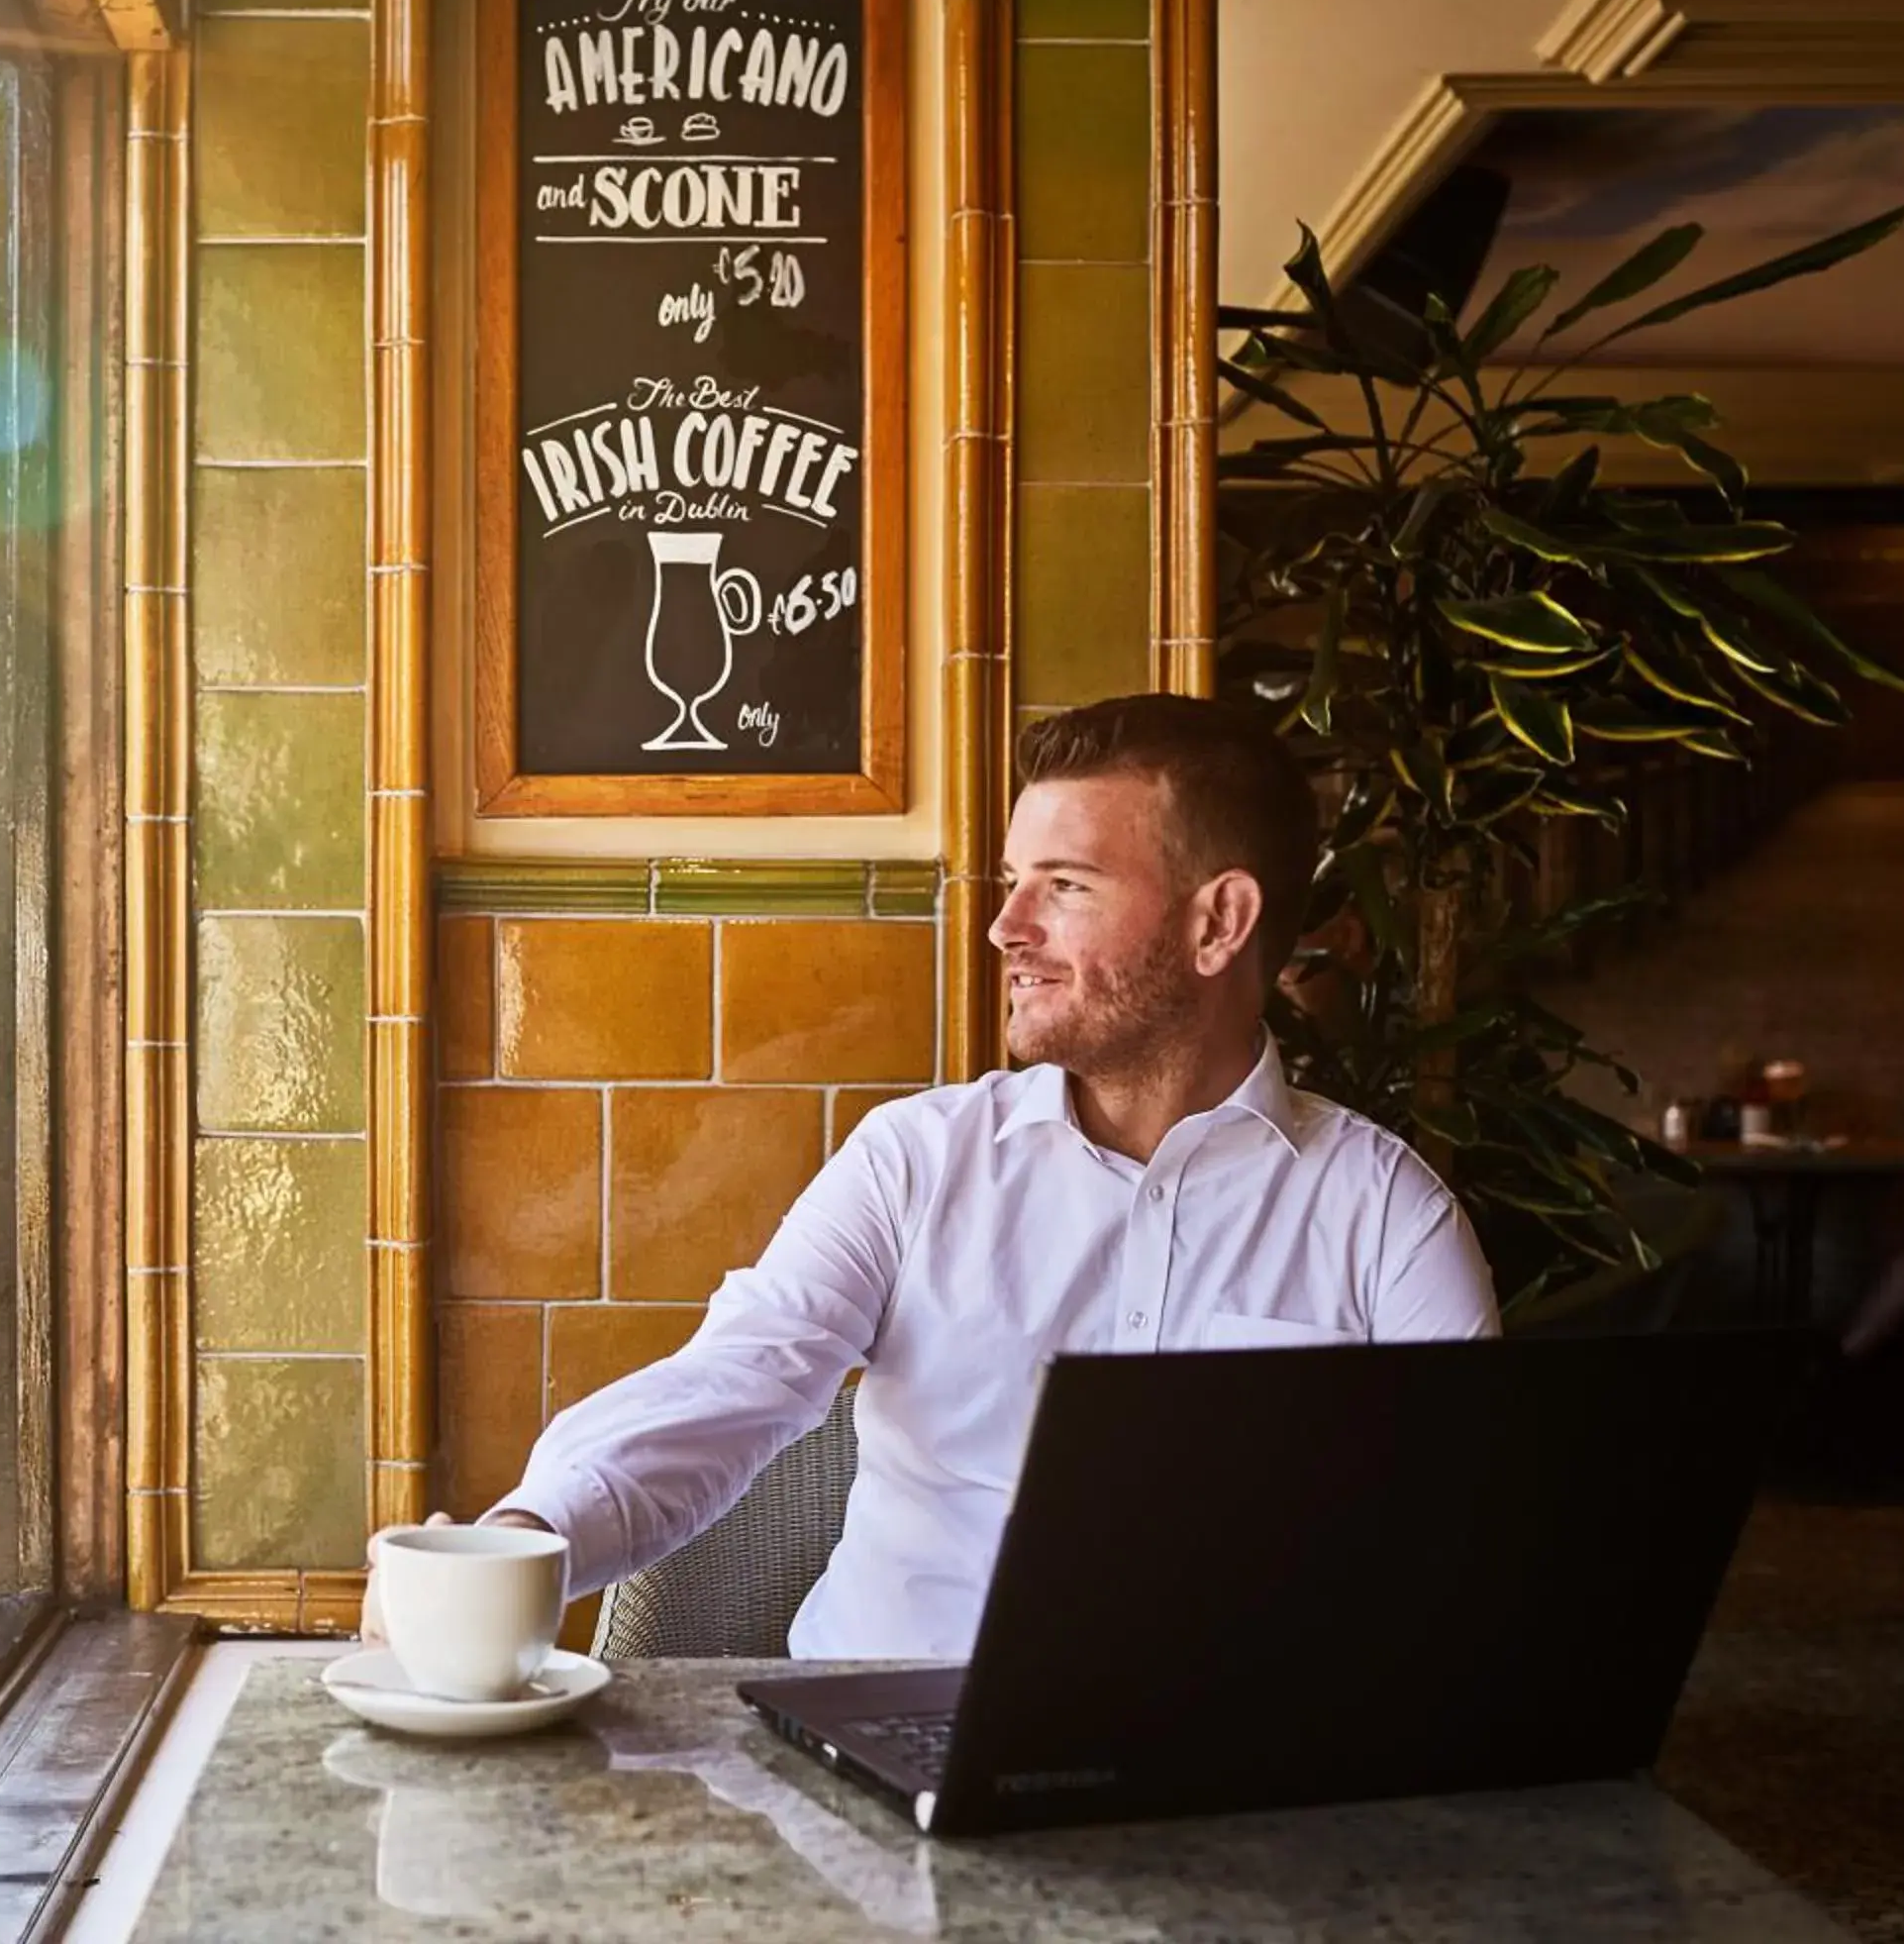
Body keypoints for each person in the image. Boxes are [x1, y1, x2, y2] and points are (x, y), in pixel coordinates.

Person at [394, 695, 1499, 1660]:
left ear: (1219, 921)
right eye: (1017, 881)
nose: (1004, 925)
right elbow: (737, 1381)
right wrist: (518, 1541)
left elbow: (1465, 1560)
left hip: (1218, 1794)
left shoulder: (1386, 1218)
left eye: (1062, 885)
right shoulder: (914, 1161)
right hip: (861, 1770)